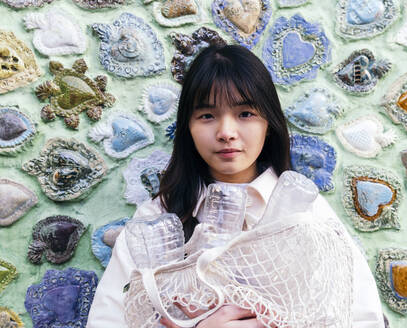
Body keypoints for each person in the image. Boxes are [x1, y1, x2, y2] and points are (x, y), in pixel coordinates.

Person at [87, 45, 385, 328]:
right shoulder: (156, 219)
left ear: (269, 124)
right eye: (206, 116)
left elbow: (361, 317)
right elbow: (107, 321)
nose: (226, 132)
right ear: (187, 128)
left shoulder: (307, 213)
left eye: (245, 114)